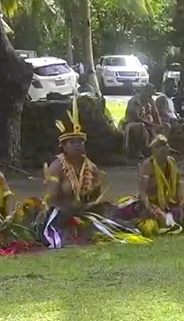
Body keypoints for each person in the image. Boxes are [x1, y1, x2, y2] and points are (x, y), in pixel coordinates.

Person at [42, 95, 149, 248]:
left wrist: (93, 193)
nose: (78, 145)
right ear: (64, 146)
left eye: (80, 142)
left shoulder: (91, 167)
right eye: (73, 142)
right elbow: (50, 199)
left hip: (85, 213)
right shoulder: (57, 166)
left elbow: (95, 197)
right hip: (61, 215)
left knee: (113, 220)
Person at [135, 135, 184, 237]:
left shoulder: (171, 162)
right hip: (152, 202)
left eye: (165, 147)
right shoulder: (148, 165)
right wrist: (148, 207)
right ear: (154, 150)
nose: (163, 151)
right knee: (158, 217)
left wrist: (180, 202)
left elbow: (178, 183)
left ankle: (172, 222)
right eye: (159, 148)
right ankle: (169, 223)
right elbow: (143, 192)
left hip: (168, 201)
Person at [154, 78, 184, 155]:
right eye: (173, 87)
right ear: (166, 87)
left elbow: (174, 113)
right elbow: (163, 113)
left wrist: (181, 119)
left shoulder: (170, 99)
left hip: (174, 121)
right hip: (166, 123)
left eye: (176, 87)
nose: (175, 89)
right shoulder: (162, 98)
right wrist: (176, 120)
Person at [121, 83, 161, 158]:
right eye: (147, 93)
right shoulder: (134, 101)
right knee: (140, 126)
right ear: (143, 91)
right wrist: (152, 124)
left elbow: (155, 114)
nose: (149, 96)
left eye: (151, 94)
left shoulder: (150, 100)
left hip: (148, 124)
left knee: (164, 126)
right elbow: (136, 117)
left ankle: (157, 150)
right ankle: (137, 152)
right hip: (133, 124)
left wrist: (159, 124)